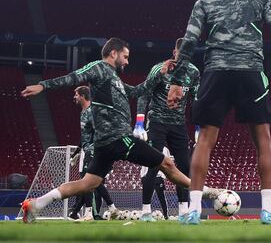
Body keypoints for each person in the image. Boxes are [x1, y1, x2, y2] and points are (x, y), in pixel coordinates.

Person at [167, 0, 271, 225]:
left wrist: (176, 81)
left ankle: (193, 210)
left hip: (215, 72)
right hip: (251, 73)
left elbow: (189, 40)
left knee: (205, 140)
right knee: (263, 140)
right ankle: (268, 210)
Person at [19, 38, 216, 223]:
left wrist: (159, 74)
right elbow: (74, 77)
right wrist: (43, 86)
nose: (127, 62)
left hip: (106, 143)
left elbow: (137, 91)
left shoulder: (113, 77)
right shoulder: (99, 67)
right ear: (113, 53)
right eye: (125, 56)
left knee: (88, 183)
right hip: (117, 138)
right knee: (166, 163)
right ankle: (207, 191)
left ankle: (36, 204)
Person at [135, 38, 200, 221]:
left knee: (185, 167)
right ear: (175, 53)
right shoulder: (159, 69)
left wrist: (199, 126)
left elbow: (197, 99)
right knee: (154, 165)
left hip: (178, 125)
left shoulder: (194, 72)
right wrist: (139, 122)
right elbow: (144, 94)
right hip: (157, 122)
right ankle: (146, 211)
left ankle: (183, 211)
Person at [68, 86, 118, 221]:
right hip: (87, 150)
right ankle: (111, 208)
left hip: (94, 151)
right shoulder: (83, 112)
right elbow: (85, 136)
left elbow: (102, 131)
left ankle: (90, 213)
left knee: (87, 180)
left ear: (83, 96)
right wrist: (77, 153)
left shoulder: (93, 112)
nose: (74, 97)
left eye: (76, 94)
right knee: (93, 182)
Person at [140, 148, 170, 218]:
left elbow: (167, 162)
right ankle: (146, 213)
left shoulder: (165, 149)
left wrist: (163, 176)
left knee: (161, 197)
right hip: (148, 177)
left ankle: (166, 215)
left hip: (158, 177)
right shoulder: (147, 147)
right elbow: (143, 163)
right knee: (147, 197)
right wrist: (143, 175)